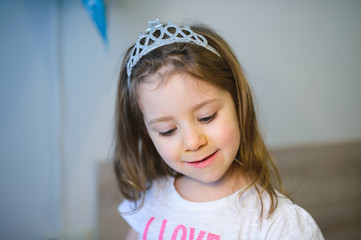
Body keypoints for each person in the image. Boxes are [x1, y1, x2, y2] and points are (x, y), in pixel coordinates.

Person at [114, 19, 324, 240]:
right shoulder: (150, 200)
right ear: (147, 133)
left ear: (237, 102)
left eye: (207, 117)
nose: (193, 142)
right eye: (168, 131)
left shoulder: (280, 225)